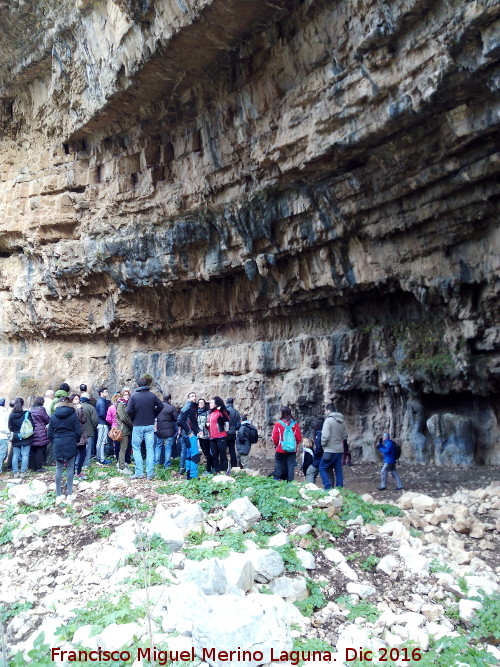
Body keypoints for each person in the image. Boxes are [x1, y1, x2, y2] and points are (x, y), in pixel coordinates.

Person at [126, 378, 164, 480]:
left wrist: (135, 417)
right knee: (150, 449)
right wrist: (153, 415)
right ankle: (150, 473)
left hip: (138, 425)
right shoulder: (152, 395)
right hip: (150, 425)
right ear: (147, 385)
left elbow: (128, 410)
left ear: (138, 386)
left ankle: (139, 472)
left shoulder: (134, 396)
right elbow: (161, 405)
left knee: (136, 448)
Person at [48, 395, 82, 504]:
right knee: (70, 468)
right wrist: (75, 440)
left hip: (58, 442)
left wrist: (55, 440)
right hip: (70, 442)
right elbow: (78, 432)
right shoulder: (73, 415)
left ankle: (58, 494)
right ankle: (70, 494)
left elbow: (49, 433)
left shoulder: (53, 416)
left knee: (59, 469)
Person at [320, 403, 347, 489]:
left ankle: (327, 487)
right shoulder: (342, 421)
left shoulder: (328, 421)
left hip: (329, 449)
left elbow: (325, 435)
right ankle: (339, 488)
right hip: (339, 450)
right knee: (338, 469)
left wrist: (323, 444)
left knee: (322, 467)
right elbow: (345, 436)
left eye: (325, 411)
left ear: (328, 410)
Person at [272, 406, 302, 482]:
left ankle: (278, 479)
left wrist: (277, 445)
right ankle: (290, 482)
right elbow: (298, 437)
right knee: (291, 465)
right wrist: (294, 445)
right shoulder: (295, 424)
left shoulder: (278, 424)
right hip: (292, 449)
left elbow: (275, 437)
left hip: (280, 449)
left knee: (279, 463)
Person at [177, 392, 203, 479]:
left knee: (189, 454)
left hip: (191, 434)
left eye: (195, 396)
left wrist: (199, 430)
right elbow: (180, 421)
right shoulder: (187, 407)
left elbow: (194, 422)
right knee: (195, 454)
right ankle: (193, 476)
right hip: (189, 435)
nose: (194, 397)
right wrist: (189, 432)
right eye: (192, 396)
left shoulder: (193, 407)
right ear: (188, 398)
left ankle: (189, 475)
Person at [8, 398, 35, 478]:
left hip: (16, 436)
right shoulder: (27, 413)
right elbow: (31, 425)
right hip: (26, 436)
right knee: (25, 455)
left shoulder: (11, 414)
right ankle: (23, 472)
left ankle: (15, 472)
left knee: (15, 454)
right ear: (23, 404)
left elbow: (10, 427)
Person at [155, 393, 179, 469]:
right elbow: (177, 418)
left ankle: (156, 463)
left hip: (159, 429)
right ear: (169, 399)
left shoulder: (158, 407)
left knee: (158, 446)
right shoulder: (171, 408)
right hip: (169, 431)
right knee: (168, 447)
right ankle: (167, 465)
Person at [30, 397, 50, 472]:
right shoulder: (41, 409)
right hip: (40, 431)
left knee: (33, 449)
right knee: (39, 450)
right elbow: (47, 419)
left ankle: (32, 467)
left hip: (32, 431)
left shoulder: (31, 409)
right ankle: (39, 467)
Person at [70, 394, 88, 479]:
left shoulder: (80, 408)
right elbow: (76, 419)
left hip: (81, 434)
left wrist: (81, 409)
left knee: (83, 453)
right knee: (74, 454)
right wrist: (79, 409)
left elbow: (84, 420)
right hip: (74, 434)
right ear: (72, 400)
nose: (78, 400)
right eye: (76, 399)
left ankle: (78, 471)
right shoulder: (71, 409)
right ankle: (73, 472)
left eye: (78, 399)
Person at [116, 389, 133, 473]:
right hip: (123, 429)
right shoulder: (120, 405)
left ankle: (122, 463)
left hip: (127, 429)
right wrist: (131, 424)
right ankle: (121, 467)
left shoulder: (126, 404)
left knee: (125, 448)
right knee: (123, 448)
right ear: (122, 395)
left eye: (128, 395)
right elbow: (122, 417)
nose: (127, 396)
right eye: (125, 395)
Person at [79, 391, 98, 468]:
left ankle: (78, 463)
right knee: (87, 449)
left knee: (79, 449)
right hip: (89, 431)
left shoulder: (77, 406)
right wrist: (93, 427)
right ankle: (85, 464)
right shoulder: (91, 407)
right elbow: (95, 420)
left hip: (79, 431)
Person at [95, 387, 111, 465]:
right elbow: (102, 414)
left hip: (101, 423)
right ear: (101, 393)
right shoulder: (101, 401)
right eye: (105, 392)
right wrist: (108, 421)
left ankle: (99, 457)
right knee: (101, 441)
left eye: (107, 392)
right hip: (103, 424)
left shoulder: (101, 401)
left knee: (100, 441)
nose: (107, 393)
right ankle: (101, 458)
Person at [225, 398, 241, 473]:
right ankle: (234, 466)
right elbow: (239, 424)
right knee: (232, 450)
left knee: (223, 450)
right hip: (233, 433)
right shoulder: (236, 412)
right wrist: (234, 429)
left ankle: (224, 467)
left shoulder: (224, 410)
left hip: (225, 433)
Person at [197, 399, 212, 474]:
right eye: (199, 402)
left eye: (202, 403)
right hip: (199, 435)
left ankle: (209, 469)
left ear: (204, 404)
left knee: (207, 452)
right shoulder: (197, 413)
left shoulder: (207, 413)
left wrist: (206, 429)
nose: (200, 404)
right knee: (204, 451)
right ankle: (210, 468)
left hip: (206, 435)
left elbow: (209, 422)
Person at [106, 392, 120, 460]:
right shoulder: (122, 406)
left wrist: (113, 422)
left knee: (116, 443)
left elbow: (108, 419)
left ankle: (117, 456)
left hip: (114, 427)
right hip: (122, 426)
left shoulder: (111, 407)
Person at [0, 398, 10, 473]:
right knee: (2, 455)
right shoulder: (6, 412)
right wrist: (9, 433)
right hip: (3, 436)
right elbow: (5, 426)